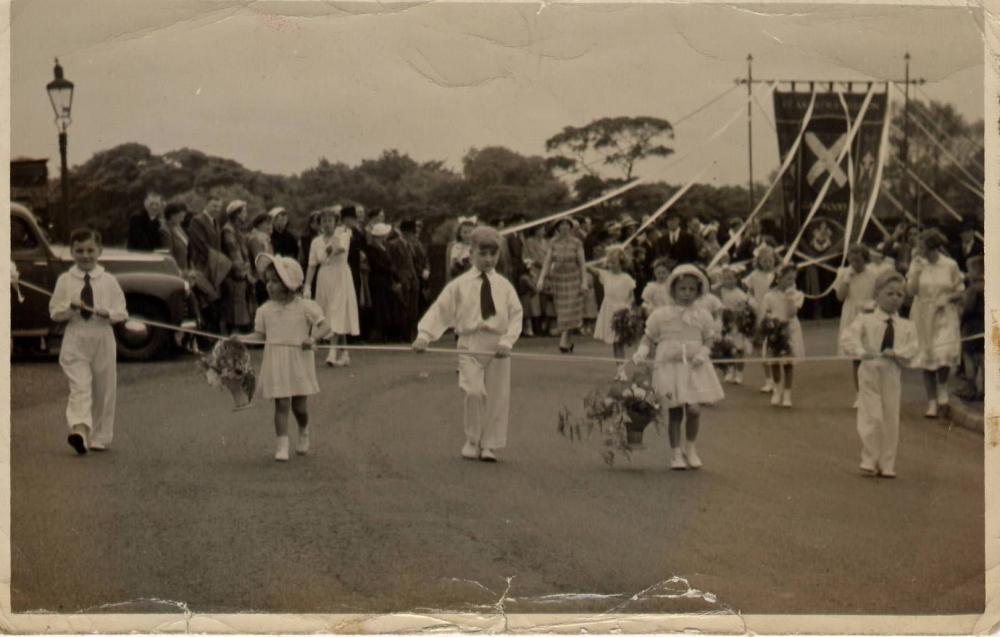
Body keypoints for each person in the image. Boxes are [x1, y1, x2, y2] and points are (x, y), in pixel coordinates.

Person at [412, 225, 523, 463]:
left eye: (493, 254)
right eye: (482, 254)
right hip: (470, 343)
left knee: (496, 395)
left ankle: (489, 444)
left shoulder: (504, 286)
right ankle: (472, 440)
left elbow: (516, 315)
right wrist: (424, 335)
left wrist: (507, 341)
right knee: (473, 392)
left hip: (497, 346)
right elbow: (440, 310)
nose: (488, 259)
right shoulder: (459, 285)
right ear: (470, 253)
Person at [236, 254, 331, 462]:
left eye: (275, 281)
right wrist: (242, 338)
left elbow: (325, 326)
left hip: (298, 361)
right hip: (276, 362)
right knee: (281, 404)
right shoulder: (265, 311)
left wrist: (312, 337)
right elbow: (260, 336)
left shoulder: (304, 306)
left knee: (299, 407)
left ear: (289, 284)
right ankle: (282, 444)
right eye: (268, 281)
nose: (269, 286)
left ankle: (304, 429)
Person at [633, 264, 723, 470]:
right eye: (682, 289)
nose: (687, 294)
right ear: (673, 290)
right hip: (670, 369)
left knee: (694, 410)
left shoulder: (702, 315)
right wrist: (642, 352)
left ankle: (690, 448)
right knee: (675, 412)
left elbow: (709, 338)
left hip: (693, 367)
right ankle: (675, 453)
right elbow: (648, 337)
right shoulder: (661, 314)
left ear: (698, 291)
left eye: (692, 289)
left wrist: (703, 352)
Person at [49, 228, 129, 454]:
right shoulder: (65, 280)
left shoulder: (109, 281)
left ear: (100, 251)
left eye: (90, 250)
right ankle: (80, 431)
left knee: (104, 388)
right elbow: (55, 312)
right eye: (80, 251)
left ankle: (100, 436)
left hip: (102, 337)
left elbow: (122, 312)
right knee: (80, 386)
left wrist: (109, 313)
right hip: (76, 338)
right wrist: (70, 308)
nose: (85, 256)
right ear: (72, 252)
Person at [839, 270, 918, 478]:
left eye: (900, 295)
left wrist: (897, 353)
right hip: (869, 370)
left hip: (892, 372)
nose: (895, 299)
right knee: (872, 415)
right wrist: (861, 351)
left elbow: (913, 349)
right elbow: (848, 339)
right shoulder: (865, 320)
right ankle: (869, 459)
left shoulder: (906, 325)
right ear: (877, 295)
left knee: (891, 416)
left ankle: (887, 462)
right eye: (890, 294)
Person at [906, 230, 964, 418]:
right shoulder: (917, 264)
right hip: (923, 314)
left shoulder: (950, 265)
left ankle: (943, 390)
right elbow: (910, 291)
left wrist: (947, 299)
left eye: (922, 247)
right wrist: (915, 270)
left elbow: (960, 290)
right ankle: (931, 402)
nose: (918, 250)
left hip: (944, 314)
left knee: (944, 354)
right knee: (927, 357)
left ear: (933, 248)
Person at [834, 245, 891, 404]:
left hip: (869, 314)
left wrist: (870, 306)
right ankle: (860, 394)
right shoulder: (845, 273)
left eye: (858, 260)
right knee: (857, 357)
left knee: (873, 355)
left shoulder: (873, 274)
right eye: (852, 260)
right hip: (852, 314)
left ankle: (874, 392)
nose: (855, 264)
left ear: (864, 259)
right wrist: (846, 279)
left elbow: (878, 295)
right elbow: (840, 296)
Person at [305, 208, 359, 366]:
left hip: (340, 276)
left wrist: (330, 245)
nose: (327, 224)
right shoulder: (315, 242)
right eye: (323, 221)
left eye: (330, 221)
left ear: (336, 222)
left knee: (336, 313)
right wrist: (307, 285)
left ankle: (332, 352)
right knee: (328, 313)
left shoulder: (343, 235)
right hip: (324, 279)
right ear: (319, 224)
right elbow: (312, 264)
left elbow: (339, 249)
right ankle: (345, 353)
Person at [537, 218, 586, 353]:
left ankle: (563, 341)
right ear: (557, 228)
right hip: (558, 280)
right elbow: (547, 262)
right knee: (563, 311)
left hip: (574, 279)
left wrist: (584, 281)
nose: (564, 228)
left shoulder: (577, 243)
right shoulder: (553, 243)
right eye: (561, 225)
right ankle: (567, 341)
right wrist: (541, 278)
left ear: (570, 227)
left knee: (571, 310)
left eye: (567, 225)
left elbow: (582, 263)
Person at [588, 247, 636, 377]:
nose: (611, 265)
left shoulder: (626, 278)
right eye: (610, 262)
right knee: (615, 343)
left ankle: (622, 370)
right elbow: (587, 266)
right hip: (609, 311)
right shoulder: (605, 274)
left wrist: (627, 309)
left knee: (620, 341)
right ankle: (619, 370)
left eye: (614, 262)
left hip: (621, 310)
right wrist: (601, 260)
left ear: (621, 263)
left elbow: (632, 297)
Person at [762, 264, 805, 408]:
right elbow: (766, 313)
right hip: (775, 330)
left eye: (793, 279)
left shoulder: (797, 295)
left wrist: (789, 297)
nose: (791, 282)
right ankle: (777, 390)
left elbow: (792, 313)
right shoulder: (769, 295)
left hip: (789, 330)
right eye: (787, 279)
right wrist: (771, 326)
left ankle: (787, 394)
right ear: (779, 278)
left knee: (788, 363)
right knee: (774, 362)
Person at [743, 244, 777, 394]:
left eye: (770, 260)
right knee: (763, 348)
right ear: (758, 261)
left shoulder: (777, 275)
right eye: (764, 260)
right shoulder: (754, 276)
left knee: (775, 346)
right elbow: (749, 292)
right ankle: (768, 380)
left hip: (775, 313)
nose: (767, 263)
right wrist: (751, 303)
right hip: (760, 313)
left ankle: (777, 380)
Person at [221, 200, 256, 334]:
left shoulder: (238, 229)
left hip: (241, 272)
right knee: (235, 308)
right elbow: (234, 253)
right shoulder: (228, 230)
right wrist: (245, 273)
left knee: (241, 306)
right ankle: (235, 337)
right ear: (236, 214)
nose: (246, 214)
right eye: (244, 211)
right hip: (234, 275)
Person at [716, 264, 753, 385]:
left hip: (736, 325)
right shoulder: (720, 292)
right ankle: (730, 370)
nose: (728, 281)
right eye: (726, 278)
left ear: (736, 279)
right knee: (727, 348)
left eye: (731, 278)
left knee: (738, 349)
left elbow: (743, 309)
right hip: (724, 324)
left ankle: (739, 373)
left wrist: (736, 315)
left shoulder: (740, 294)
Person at [366, 222, 401, 342]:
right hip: (377, 281)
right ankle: (378, 334)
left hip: (386, 281)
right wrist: (390, 269)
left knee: (386, 307)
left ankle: (385, 333)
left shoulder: (384, 248)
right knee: (379, 307)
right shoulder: (372, 248)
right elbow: (376, 265)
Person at [957, 255, 985, 402]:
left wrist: (960, 316)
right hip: (985, 325)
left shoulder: (973, 289)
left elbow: (967, 308)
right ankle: (986, 389)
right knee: (983, 357)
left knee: (969, 356)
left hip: (972, 325)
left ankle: (971, 388)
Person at [388, 222, 421, 342]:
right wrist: (396, 280)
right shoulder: (393, 245)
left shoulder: (410, 245)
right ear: (407, 233)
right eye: (413, 233)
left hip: (412, 279)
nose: (414, 236)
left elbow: (413, 262)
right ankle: (403, 335)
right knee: (403, 308)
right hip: (402, 279)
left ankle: (411, 335)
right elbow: (392, 264)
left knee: (413, 309)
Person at [247, 213, 275, 306]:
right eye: (267, 224)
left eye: (271, 224)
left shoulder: (266, 239)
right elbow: (259, 260)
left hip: (268, 276)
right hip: (261, 279)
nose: (270, 226)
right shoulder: (255, 239)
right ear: (259, 225)